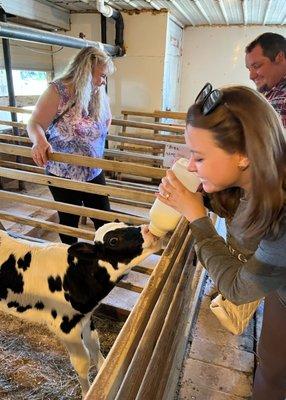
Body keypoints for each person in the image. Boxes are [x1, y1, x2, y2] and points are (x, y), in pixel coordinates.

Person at [156, 83, 286, 400]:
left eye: (198, 156)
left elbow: (239, 290)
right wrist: (198, 198)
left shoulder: (282, 217)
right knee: (271, 366)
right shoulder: (255, 174)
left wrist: (196, 217)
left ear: (242, 155)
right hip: (280, 288)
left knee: (276, 374)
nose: (189, 165)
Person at [27, 46, 115, 244]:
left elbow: (108, 118)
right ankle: (71, 266)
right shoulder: (57, 91)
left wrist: (95, 136)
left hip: (93, 172)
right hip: (63, 173)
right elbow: (34, 123)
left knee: (105, 221)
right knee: (69, 223)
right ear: (86, 69)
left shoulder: (97, 93)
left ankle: (109, 266)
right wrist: (40, 141)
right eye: (101, 75)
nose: (104, 81)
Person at [245, 32, 286, 127]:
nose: (251, 76)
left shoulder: (282, 98)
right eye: (249, 69)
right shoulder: (271, 92)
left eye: (257, 66)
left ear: (280, 57)